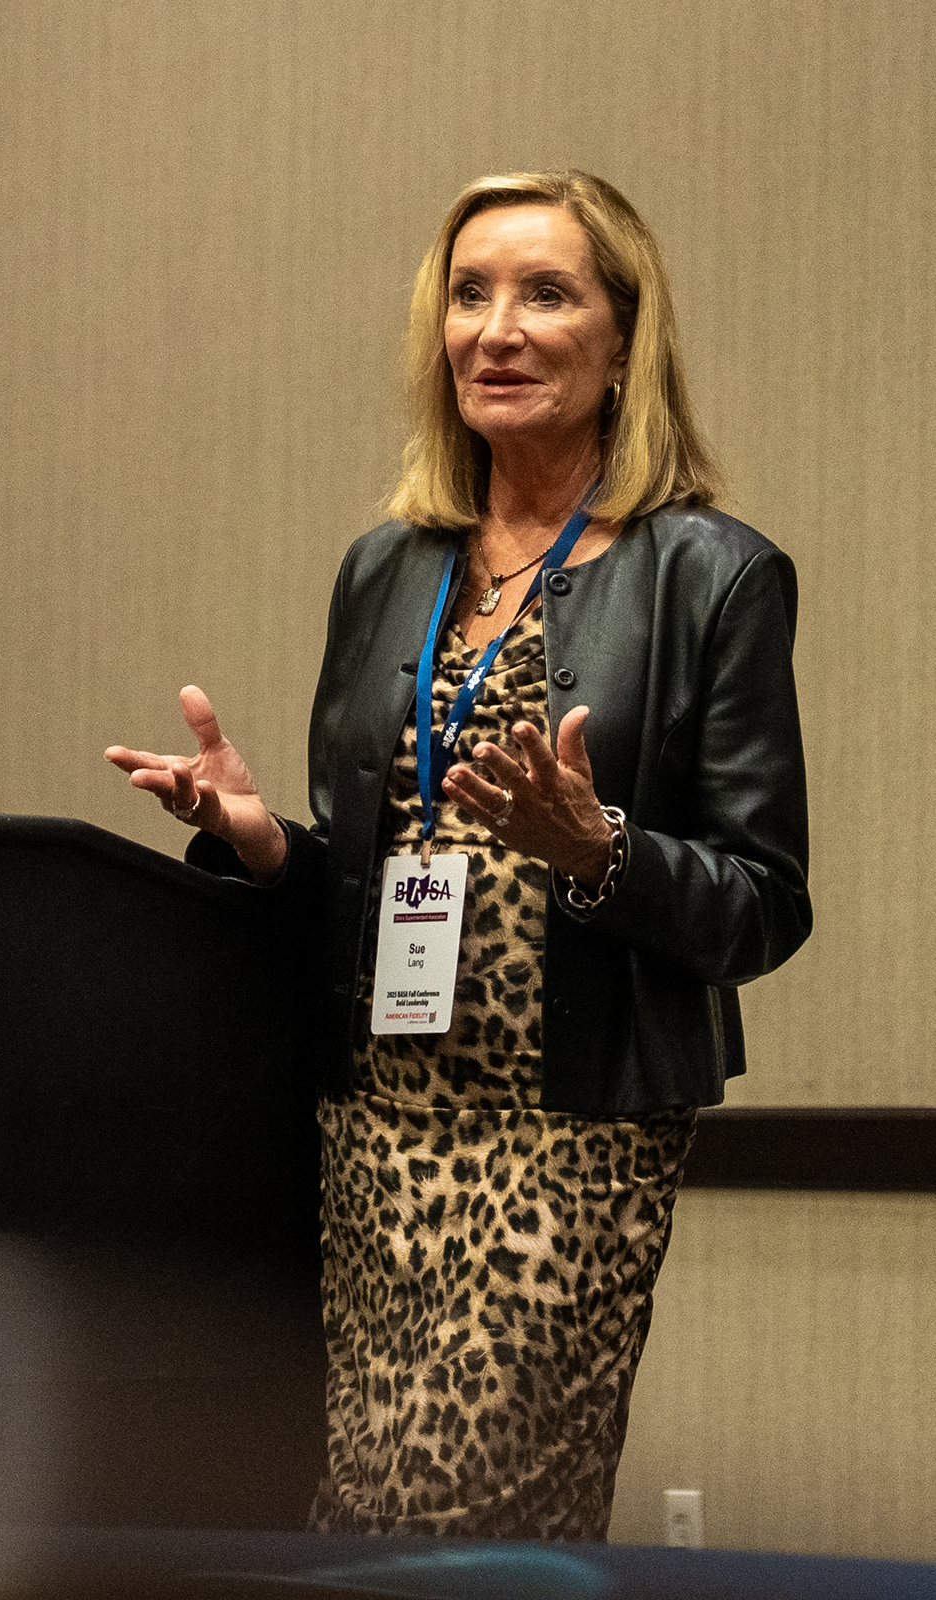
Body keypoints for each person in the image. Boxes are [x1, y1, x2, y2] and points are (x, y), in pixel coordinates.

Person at [106, 170, 811, 1541]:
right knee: (374, 1508)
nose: (498, 326)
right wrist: (262, 847)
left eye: (547, 293)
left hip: (569, 1135)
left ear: (622, 341)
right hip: (378, 1126)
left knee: (450, 1518)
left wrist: (596, 848)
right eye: (470, 293)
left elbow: (765, 905)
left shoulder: (708, 574)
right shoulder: (391, 570)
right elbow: (376, 882)